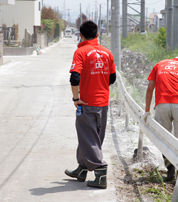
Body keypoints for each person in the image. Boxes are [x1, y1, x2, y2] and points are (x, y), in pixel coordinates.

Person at [65, 21, 116, 189]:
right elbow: (112, 78)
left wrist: (75, 98)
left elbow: (75, 77)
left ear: (81, 35)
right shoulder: (107, 53)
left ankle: (100, 172)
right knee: (90, 137)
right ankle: (82, 169)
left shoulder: (80, 52)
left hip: (86, 103)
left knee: (88, 137)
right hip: (103, 103)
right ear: (98, 35)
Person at [143, 49, 178, 180]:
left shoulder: (159, 64)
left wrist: (147, 110)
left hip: (161, 105)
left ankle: (170, 170)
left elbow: (150, 89)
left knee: (164, 139)